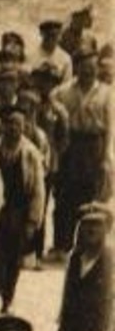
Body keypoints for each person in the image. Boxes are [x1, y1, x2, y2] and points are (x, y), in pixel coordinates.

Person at [0, 104, 49, 310]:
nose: (13, 128)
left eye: (18, 124)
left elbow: (38, 190)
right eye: (9, 123)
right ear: (2, 126)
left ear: (24, 127)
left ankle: (7, 299)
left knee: (13, 259)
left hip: (17, 213)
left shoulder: (31, 154)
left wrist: (33, 221)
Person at [50, 45, 110, 257]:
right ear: (76, 67)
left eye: (92, 67)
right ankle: (61, 244)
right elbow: (52, 108)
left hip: (94, 145)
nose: (88, 72)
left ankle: (88, 246)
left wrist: (106, 158)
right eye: (84, 67)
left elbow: (110, 127)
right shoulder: (63, 91)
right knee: (65, 195)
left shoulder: (106, 93)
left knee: (91, 196)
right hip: (70, 144)